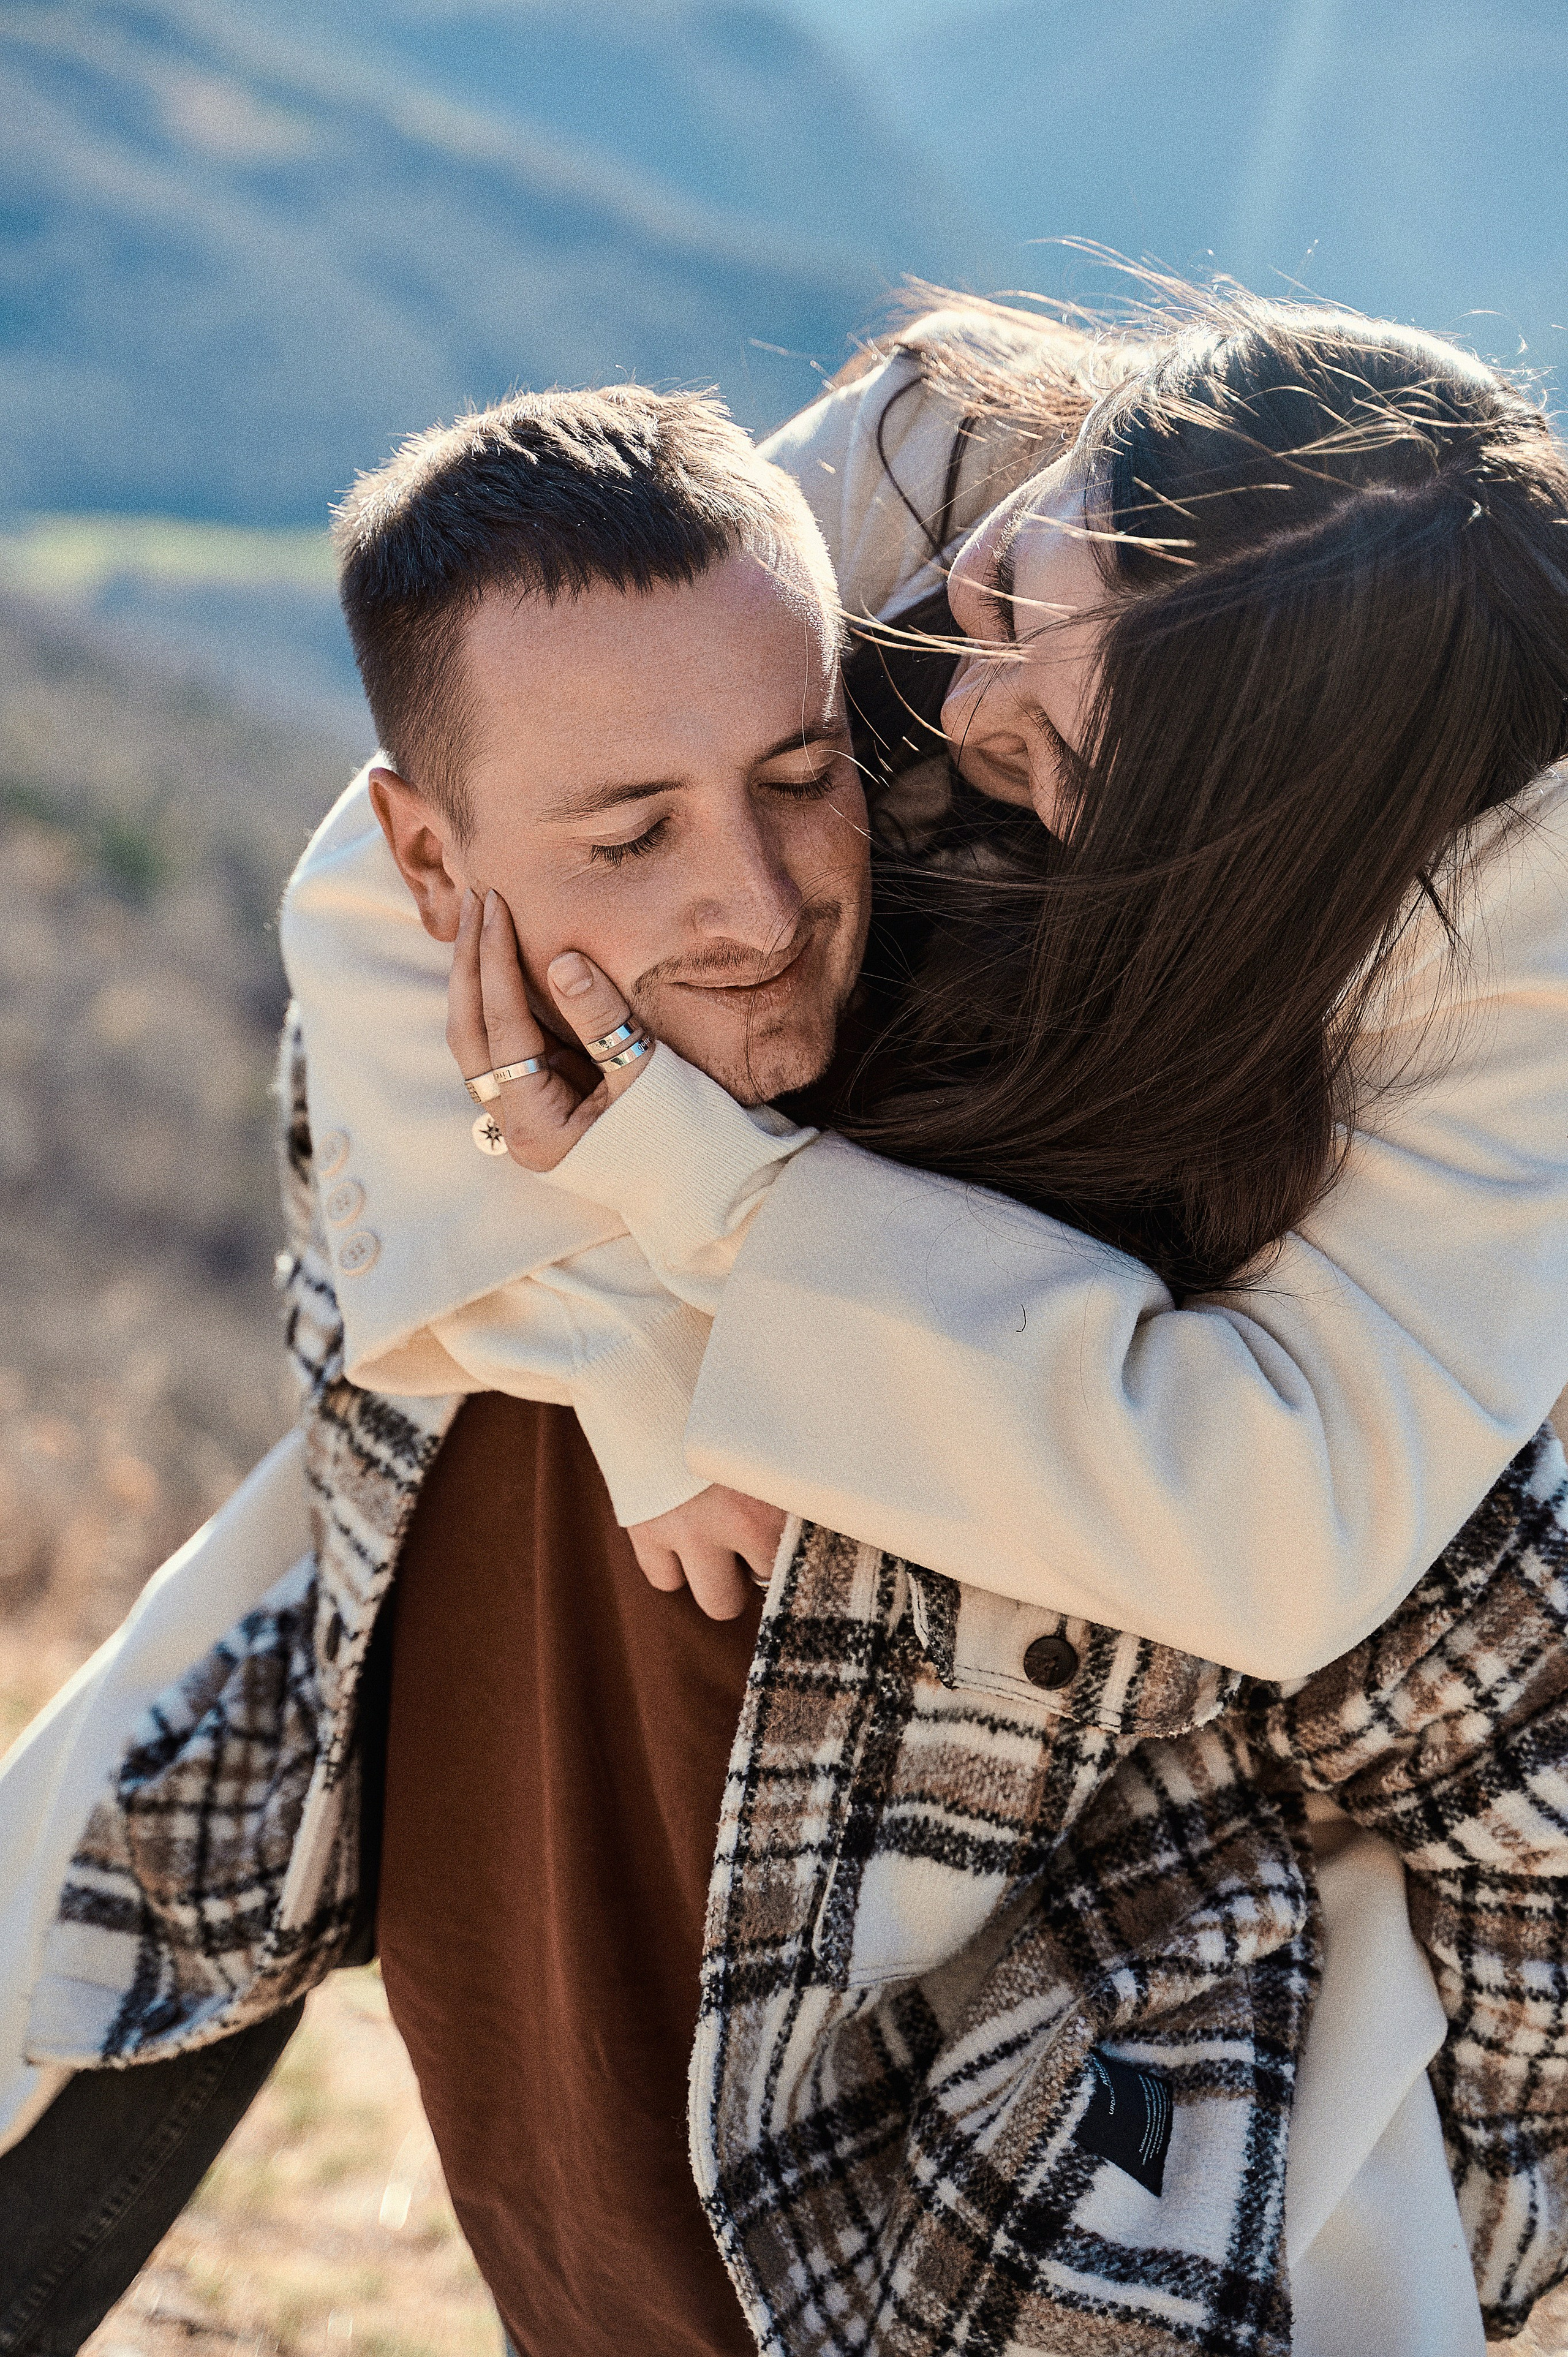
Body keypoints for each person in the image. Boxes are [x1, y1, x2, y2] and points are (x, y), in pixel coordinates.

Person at [0, 305, 1559, 2357]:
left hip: (1102, 1646)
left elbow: (1291, 1518)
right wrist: (654, 1371)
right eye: (1011, 593)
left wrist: (721, 1209)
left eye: (1048, 747)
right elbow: (411, 897)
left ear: (1263, 834)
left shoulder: (1516, 899)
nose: (949, 680)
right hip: (590, 1522)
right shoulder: (946, 467)